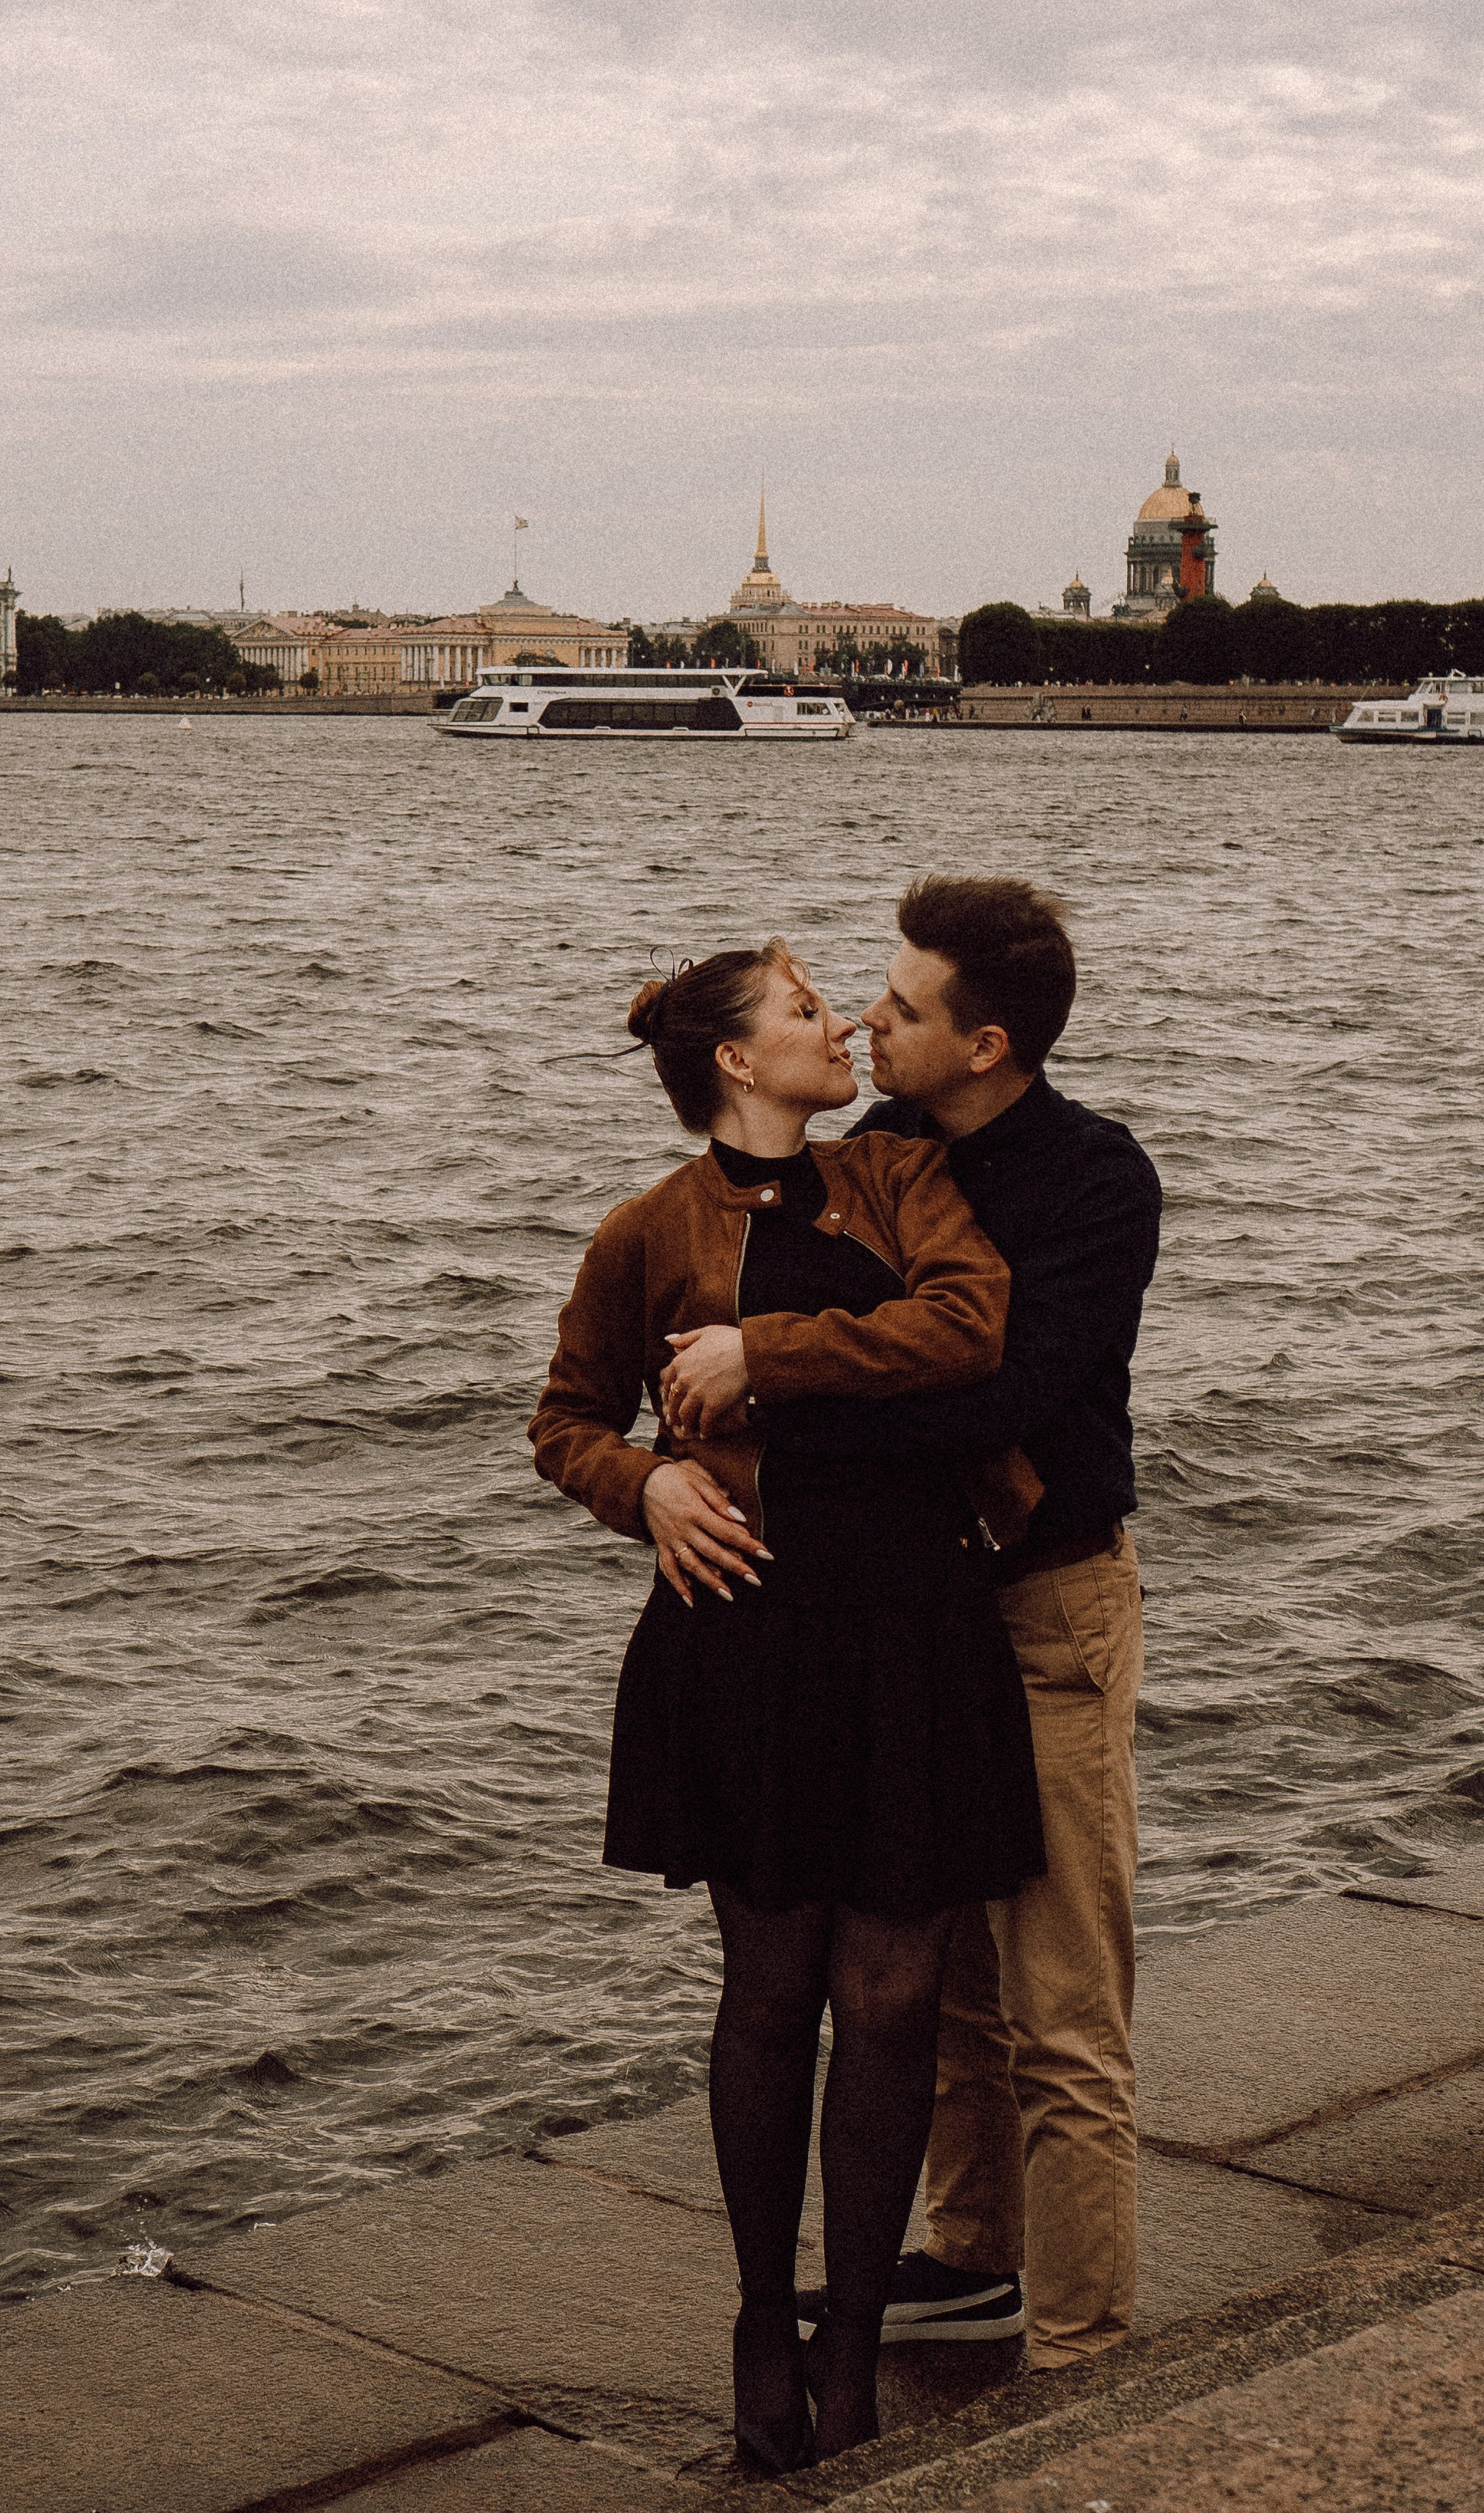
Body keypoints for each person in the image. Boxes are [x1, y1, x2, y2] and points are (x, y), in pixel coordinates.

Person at [530, 940, 1045, 2470]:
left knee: (889, 2000)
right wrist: (648, 1487)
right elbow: (562, 1420)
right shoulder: (646, 1231)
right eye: (807, 1011)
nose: (840, 1028)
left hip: (910, 1627)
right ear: (738, 1066)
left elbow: (972, 1326)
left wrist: (767, 1354)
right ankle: (762, 2313)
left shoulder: (895, 1184)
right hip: (743, 1632)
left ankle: (850, 2342)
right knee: (766, 1997)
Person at [662, 880, 1160, 2373]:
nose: (869, 1021)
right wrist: (679, 1453)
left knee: (1062, 2004)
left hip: (1048, 1605)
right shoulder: (874, 1151)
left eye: (900, 1007)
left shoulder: (1090, 1178)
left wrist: (771, 1370)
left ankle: (1081, 2350)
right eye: (864, 998)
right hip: (917, 1619)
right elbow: (714, 1300)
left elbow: (1000, 1392)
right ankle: (969, 2258)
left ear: (986, 1043)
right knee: (935, 1980)